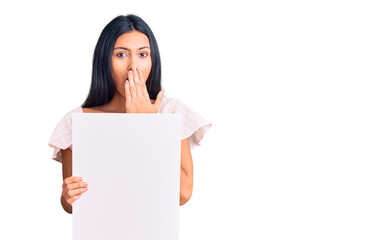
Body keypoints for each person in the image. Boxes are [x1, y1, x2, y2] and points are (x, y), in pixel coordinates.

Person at [48, 14, 212, 214]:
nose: (133, 67)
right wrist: (67, 197)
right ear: (104, 61)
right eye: (121, 55)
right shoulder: (77, 122)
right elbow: (72, 205)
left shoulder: (170, 112)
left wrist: (145, 123)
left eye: (142, 54)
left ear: (153, 60)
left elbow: (182, 194)